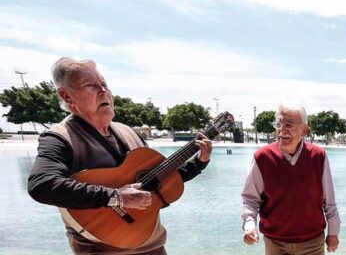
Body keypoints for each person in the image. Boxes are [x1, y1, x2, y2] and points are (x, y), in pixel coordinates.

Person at [27, 57, 213, 254]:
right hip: (101, 249)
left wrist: (199, 163)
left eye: (104, 84)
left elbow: (158, 183)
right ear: (66, 95)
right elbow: (42, 185)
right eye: (91, 85)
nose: (103, 91)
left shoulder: (129, 132)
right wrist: (115, 197)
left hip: (153, 244)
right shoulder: (60, 138)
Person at [241, 102, 340, 254]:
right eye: (279, 123)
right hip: (275, 243)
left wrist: (333, 232)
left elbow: (329, 200)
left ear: (304, 130)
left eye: (289, 124)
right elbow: (250, 199)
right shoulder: (262, 157)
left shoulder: (318, 156)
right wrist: (249, 225)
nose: (282, 129)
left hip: (313, 243)